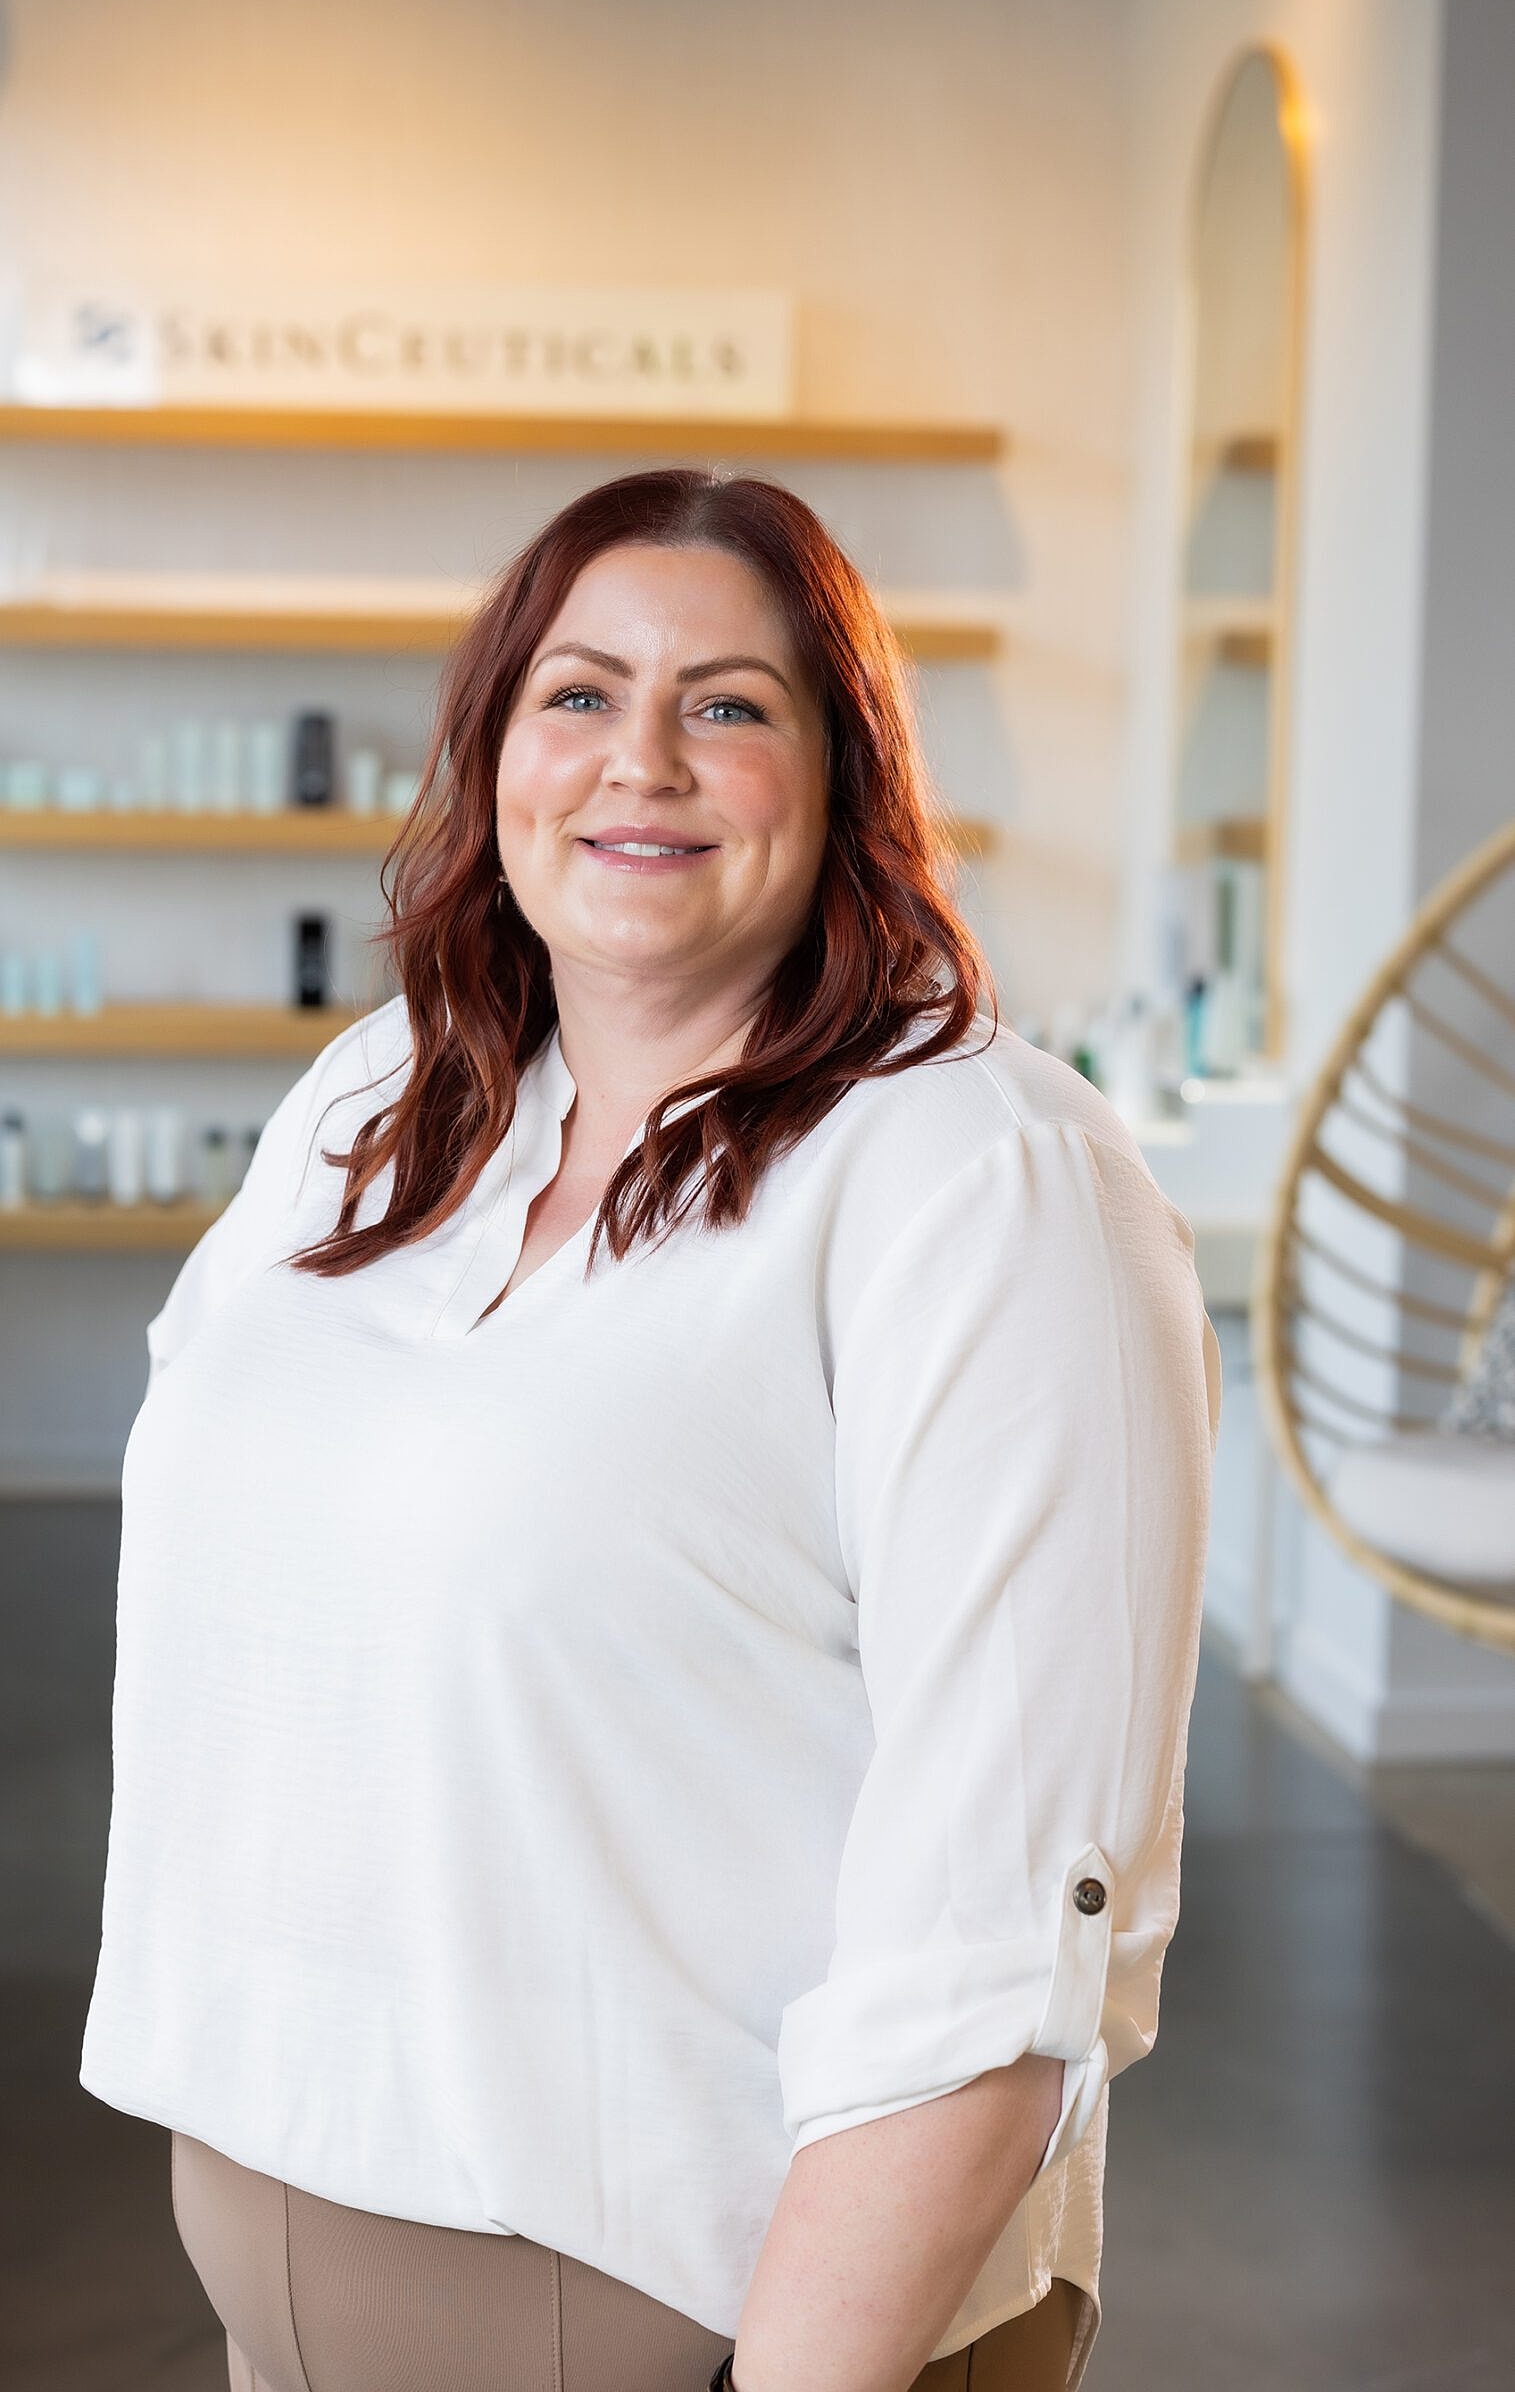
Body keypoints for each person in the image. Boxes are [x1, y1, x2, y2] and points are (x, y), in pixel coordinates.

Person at [80, 467, 1221, 2392]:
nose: (644, 762)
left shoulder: (984, 1179)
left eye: (729, 706)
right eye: (582, 694)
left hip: (719, 2323)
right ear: (495, 752)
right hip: (287, 2268)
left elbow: (1008, 1931)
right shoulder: (380, 1100)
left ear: (847, 778)